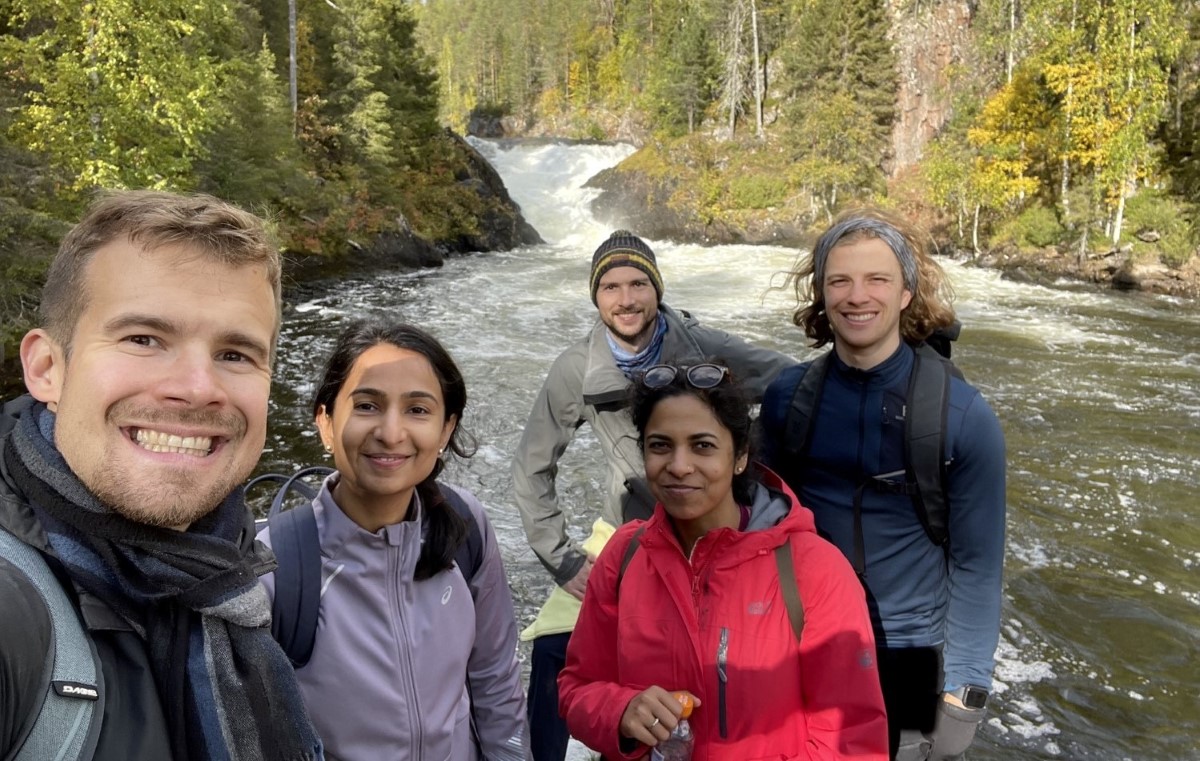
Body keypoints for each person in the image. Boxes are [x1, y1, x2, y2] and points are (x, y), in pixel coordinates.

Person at [0, 190, 323, 760]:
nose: (197, 388)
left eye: (235, 354)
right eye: (144, 339)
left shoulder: (222, 569)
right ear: (47, 368)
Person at [511, 230, 794, 761]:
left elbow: (792, 383)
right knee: (553, 648)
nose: (625, 299)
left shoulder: (705, 348)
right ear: (596, 298)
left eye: (638, 284)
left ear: (657, 289)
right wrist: (563, 560)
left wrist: (747, 463)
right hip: (626, 532)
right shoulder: (577, 368)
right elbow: (531, 467)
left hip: (716, 525)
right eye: (610, 287)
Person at [758, 208, 1007, 761]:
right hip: (807, 640)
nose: (856, 297)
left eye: (877, 279)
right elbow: (762, 529)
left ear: (905, 293)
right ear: (821, 293)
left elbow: (977, 563)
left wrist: (966, 688)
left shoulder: (962, 417)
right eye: (839, 281)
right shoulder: (787, 400)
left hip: (910, 652)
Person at [558, 362, 889, 760]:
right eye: (660, 445)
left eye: (703, 446)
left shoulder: (814, 570)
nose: (679, 466)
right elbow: (578, 687)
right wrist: (622, 712)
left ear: (740, 456)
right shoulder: (624, 556)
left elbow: (851, 738)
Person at [257, 320, 531, 761]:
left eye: (417, 410)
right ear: (326, 423)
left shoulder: (465, 525)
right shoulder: (275, 567)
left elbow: (495, 681)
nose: (391, 433)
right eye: (367, 406)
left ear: (446, 430)